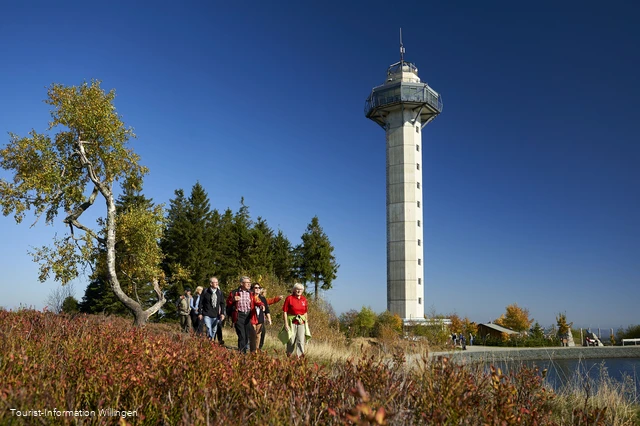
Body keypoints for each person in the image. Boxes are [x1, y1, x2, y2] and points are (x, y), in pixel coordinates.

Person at [226, 276, 264, 353]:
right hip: (239, 315)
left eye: (249, 283)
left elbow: (257, 301)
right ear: (241, 283)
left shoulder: (251, 293)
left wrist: (261, 305)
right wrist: (233, 299)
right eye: (247, 283)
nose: (249, 284)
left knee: (246, 336)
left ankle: (243, 352)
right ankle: (242, 354)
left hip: (248, 316)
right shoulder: (235, 292)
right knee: (241, 335)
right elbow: (228, 303)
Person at [280, 283, 311, 357]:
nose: (299, 290)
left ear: (303, 290)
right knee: (291, 340)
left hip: (301, 322)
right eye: (297, 289)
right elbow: (284, 311)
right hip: (291, 322)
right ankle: (289, 356)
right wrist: (286, 324)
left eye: (300, 289)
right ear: (294, 290)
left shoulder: (304, 299)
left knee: (301, 341)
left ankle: (300, 358)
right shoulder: (289, 298)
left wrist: (306, 323)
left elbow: (305, 312)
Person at [198, 277, 225, 341]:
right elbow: (200, 303)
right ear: (211, 283)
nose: (216, 284)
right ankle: (210, 340)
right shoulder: (205, 291)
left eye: (217, 282)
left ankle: (210, 341)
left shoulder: (219, 293)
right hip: (207, 314)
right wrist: (200, 313)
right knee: (208, 328)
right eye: (215, 282)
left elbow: (222, 304)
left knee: (214, 330)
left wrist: (222, 313)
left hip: (216, 315)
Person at [250, 283, 272, 351]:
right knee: (252, 334)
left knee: (258, 335)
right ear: (252, 289)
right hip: (252, 317)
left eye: (259, 288)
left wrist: (269, 319)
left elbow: (267, 310)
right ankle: (252, 349)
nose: (257, 289)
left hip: (260, 318)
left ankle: (256, 350)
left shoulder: (263, 298)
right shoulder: (250, 297)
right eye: (255, 287)